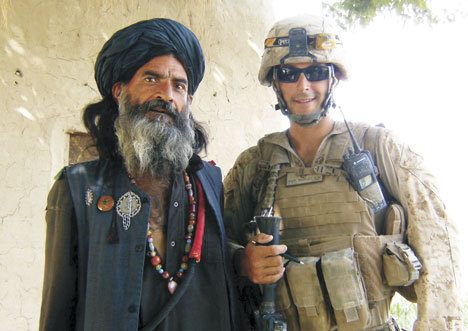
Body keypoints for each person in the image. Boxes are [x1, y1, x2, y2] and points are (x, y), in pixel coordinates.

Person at [224, 14, 462, 330]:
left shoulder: (379, 148)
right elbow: (213, 245)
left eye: (315, 73)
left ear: (333, 78)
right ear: (275, 83)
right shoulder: (254, 166)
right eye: (288, 74)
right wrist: (243, 261)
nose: (303, 85)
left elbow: (437, 238)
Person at [40, 18, 242, 331]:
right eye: (151, 79)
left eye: (179, 85)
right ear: (119, 90)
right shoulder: (78, 189)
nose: (167, 95)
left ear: (188, 101)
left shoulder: (209, 183)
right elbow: (57, 311)